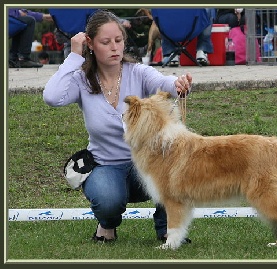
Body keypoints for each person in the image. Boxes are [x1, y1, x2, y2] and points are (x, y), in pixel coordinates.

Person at [43, 9, 192, 243]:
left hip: (146, 164)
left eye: (118, 40)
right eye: (106, 42)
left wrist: (178, 84)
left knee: (177, 165)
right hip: (106, 165)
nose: (114, 47)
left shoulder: (138, 72)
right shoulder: (81, 80)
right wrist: (74, 56)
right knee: (108, 200)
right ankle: (107, 225)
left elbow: (163, 83)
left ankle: (167, 228)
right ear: (90, 44)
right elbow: (52, 97)